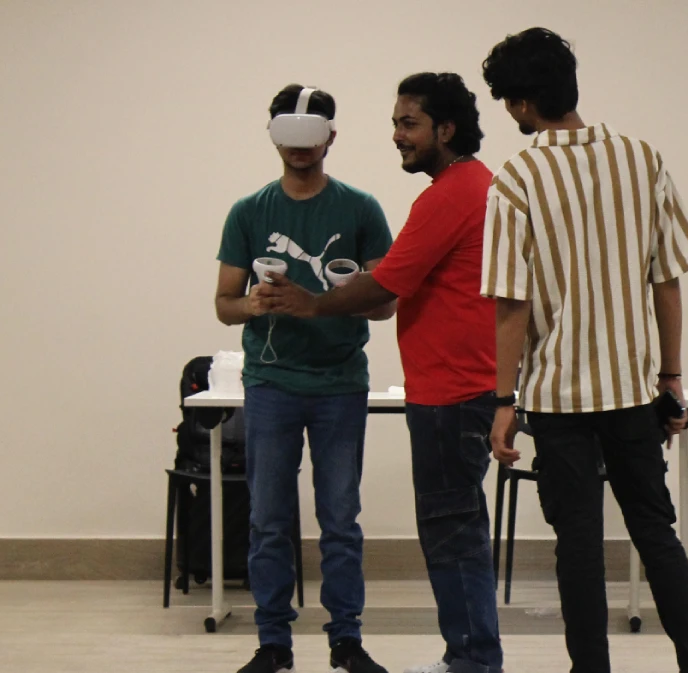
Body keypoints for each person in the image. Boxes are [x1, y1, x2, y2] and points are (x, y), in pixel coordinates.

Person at [477, 27, 688, 673]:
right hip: (633, 390)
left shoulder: (516, 178)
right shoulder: (642, 160)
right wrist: (671, 376)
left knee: (577, 546)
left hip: (557, 399)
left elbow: (511, 304)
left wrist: (504, 400)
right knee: (656, 534)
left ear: (523, 103)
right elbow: (667, 280)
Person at [256, 72, 505, 673]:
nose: (397, 135)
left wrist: (312, 302)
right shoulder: (474, 184)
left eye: (408, 123)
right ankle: (469, 655)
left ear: (446, 129)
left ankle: (472, 661)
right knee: (457, 530)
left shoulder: (447, 195)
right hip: (456, 386)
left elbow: (388, 284)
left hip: (449, 391)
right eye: (396, 123)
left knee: (451, 534)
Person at [214, 83, 393, 673]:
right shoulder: (248, 211)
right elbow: (224, 303)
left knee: (340, 520)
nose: (299, 147)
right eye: (288, 134)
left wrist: (330, 298)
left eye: (310, 135)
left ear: (330, 138)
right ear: (273, 136)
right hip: (271, 383)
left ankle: (346, 640)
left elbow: (386, 304)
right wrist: (255, 304)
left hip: (340, 383)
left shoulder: (361, 209)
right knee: (268, 519)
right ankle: (273, 643)